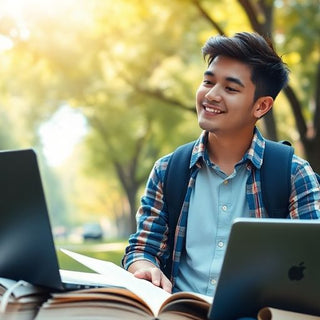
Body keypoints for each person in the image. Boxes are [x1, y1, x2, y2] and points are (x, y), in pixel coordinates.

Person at [122, 32, 320, 296]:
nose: (211, 95)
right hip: (179, 311)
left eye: (230, 88)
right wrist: (144, 266)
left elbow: (312, 266)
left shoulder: (294, 174)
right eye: (208, 81)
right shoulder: (167, 170)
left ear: (261, 106)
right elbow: (142, 248)